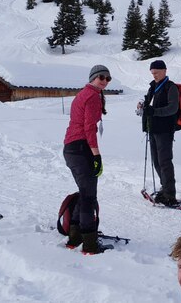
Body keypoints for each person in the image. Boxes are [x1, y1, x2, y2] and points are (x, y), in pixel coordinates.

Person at [62, 64, 109, 254]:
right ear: (92, 78)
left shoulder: (83, 94)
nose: (105, 81)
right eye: (101, 77)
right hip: (82, 148)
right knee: (89, 196)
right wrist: (96, 155)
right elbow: (89, 128)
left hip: (71, 148)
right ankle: (90, 244)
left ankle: (75, 237)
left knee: (84, 193)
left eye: (108, 78)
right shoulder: (92, 96)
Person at [140, 59, 180, 206]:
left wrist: (154, 111)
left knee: (165, 161)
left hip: (164, 130)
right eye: (152, 73)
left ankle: (170, 195)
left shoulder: (171, 87)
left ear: (164, 71)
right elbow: (149, 105)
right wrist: (143, 106)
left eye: (156, 72)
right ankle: (165, 189)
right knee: (156, 161)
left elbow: (173, 108)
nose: (154, 75)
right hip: (152, 129)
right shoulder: (153, 86)